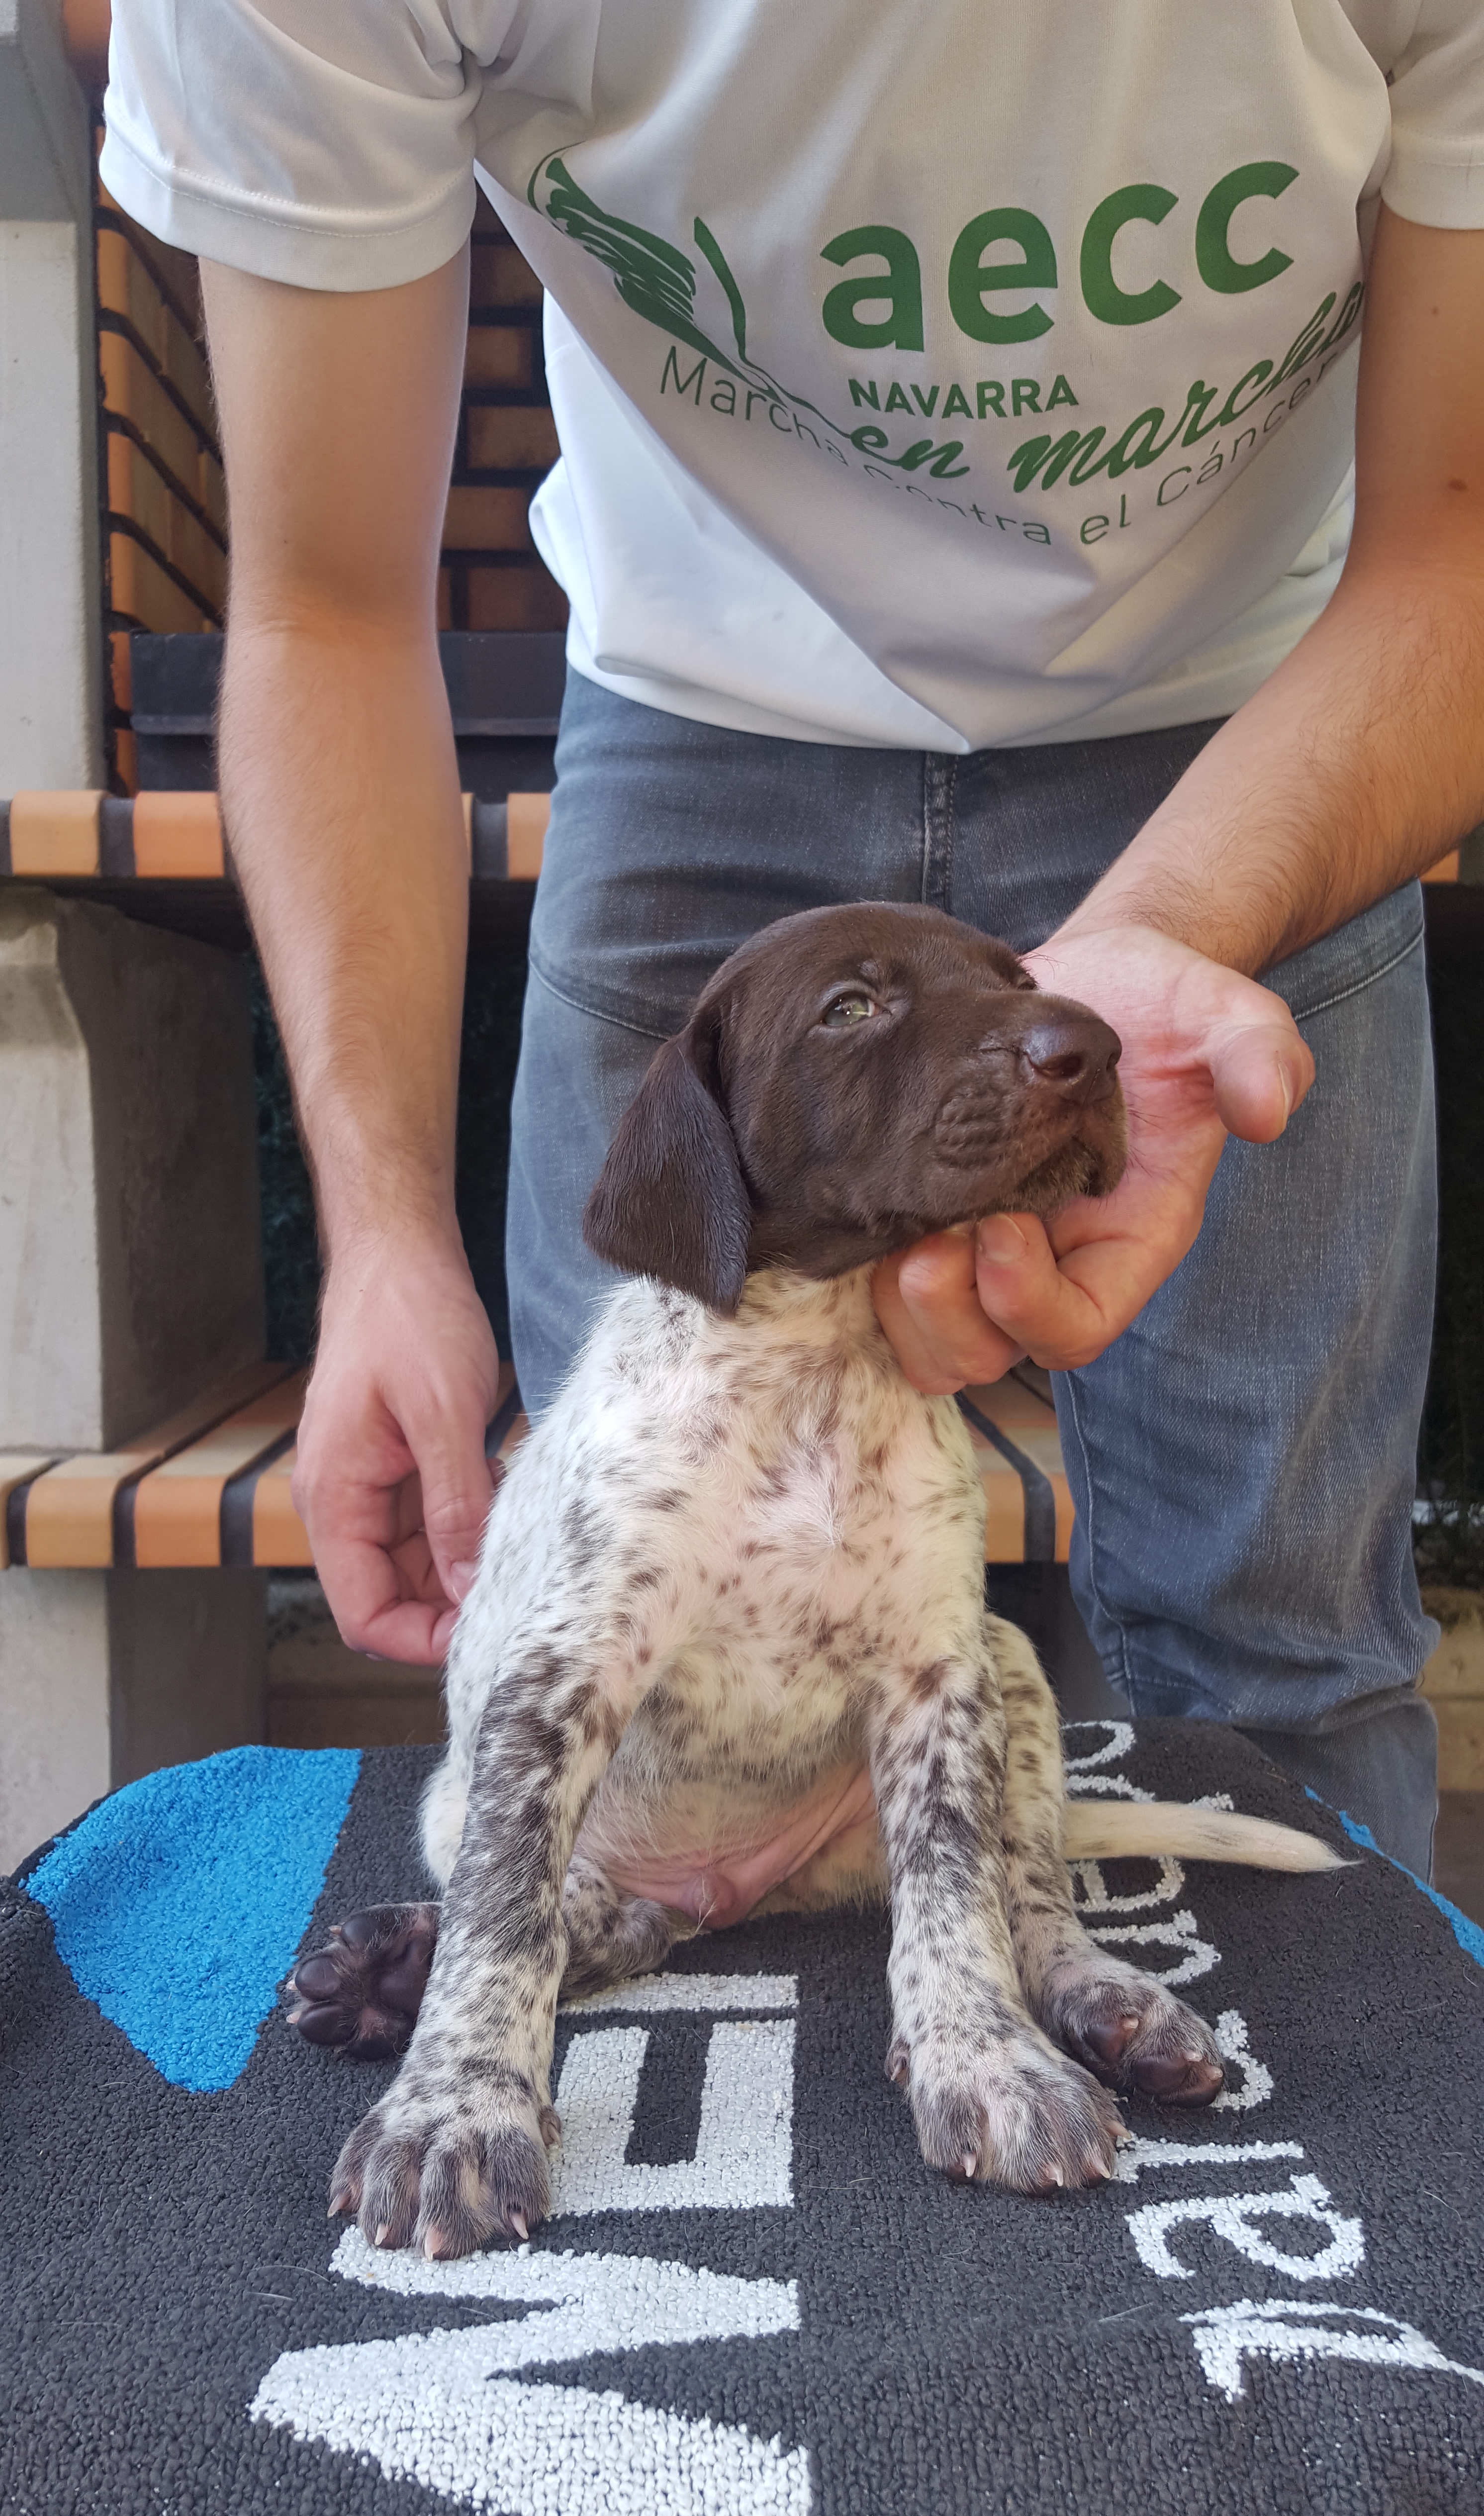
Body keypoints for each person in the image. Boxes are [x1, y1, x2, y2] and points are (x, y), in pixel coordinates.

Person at [102, 0, 1484, 1875]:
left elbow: (1460, 550)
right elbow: (325, 612)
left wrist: (1171, 918)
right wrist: (382, 1239)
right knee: (629, 1667)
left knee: (1284, 1643)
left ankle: (1333, 2076)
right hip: (701, 709)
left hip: (1252, 716)